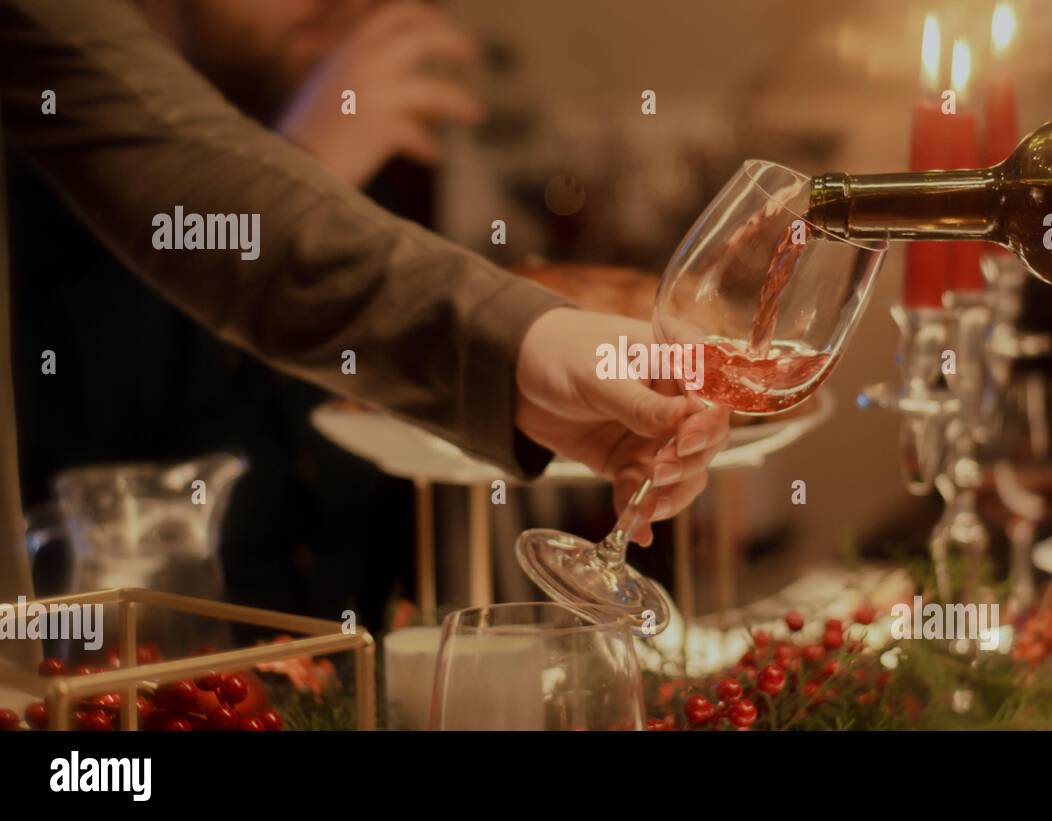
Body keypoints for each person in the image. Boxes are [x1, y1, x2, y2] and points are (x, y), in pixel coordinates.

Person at [0, 0, 729, 661]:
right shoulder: (44, 126)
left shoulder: (383, 134)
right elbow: (87, 423)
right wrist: (306, 161)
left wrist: (522, 349)